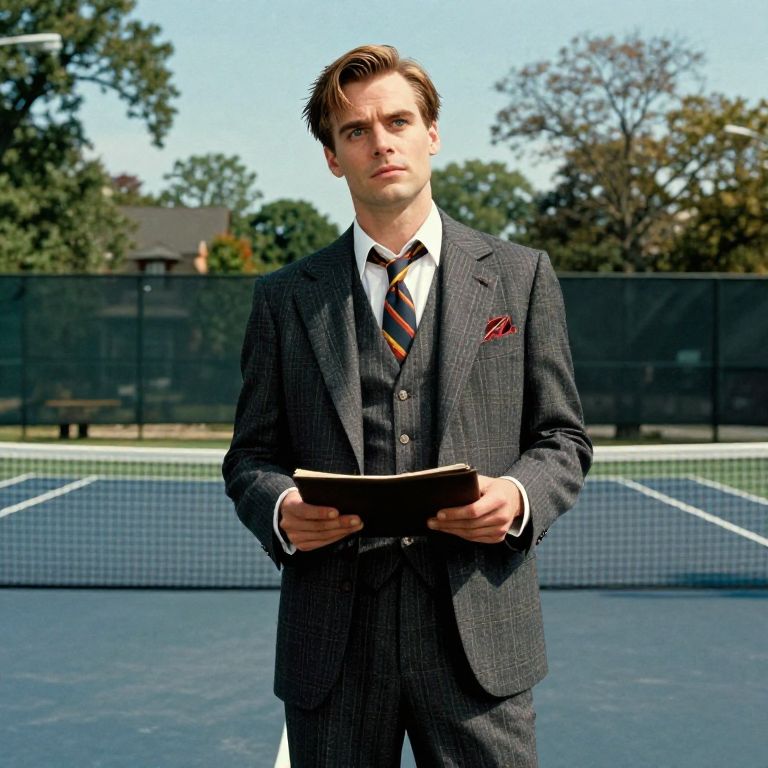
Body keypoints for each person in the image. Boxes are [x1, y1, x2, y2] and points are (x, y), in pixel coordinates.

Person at [223, 44, 592, 767]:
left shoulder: (521, 278)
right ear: (333, 157)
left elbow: (562, 438)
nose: (380, 141)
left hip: (480, 639)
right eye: (355, 130)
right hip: (332, 641)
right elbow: (250, 456)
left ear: (432, 135)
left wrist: (516, 497)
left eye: (397, 120)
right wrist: (279, 510)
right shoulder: (283, 299)